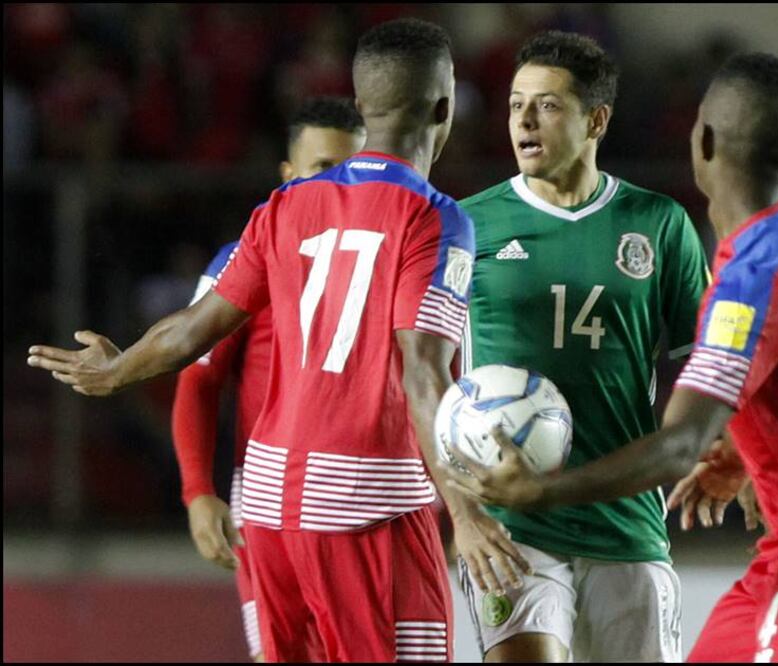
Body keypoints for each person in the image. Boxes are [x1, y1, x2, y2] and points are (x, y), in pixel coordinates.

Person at [26, 18, 522, 663]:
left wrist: (119, 369)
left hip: (268, 509)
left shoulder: (284, 206)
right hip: (366, 505)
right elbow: (423, 372)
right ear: (445, 104)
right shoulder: (434, 217)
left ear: (364, 106)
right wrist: (465, 510)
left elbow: (193, 327)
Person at [446, 52, 778, 663]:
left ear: (701, 141)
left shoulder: (746, 272)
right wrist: (753, 448)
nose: (525, 119)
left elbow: (682, 444)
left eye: (547, 104)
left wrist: (543, 493)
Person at [454, 31, 710, 663]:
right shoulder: (466, 224)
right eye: (516, 105)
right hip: (513, 522)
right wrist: (463, 514)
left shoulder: (658, 223)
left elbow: (709, 371)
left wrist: (734, 449)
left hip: (625, 520)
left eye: (547, 105)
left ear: (596, 119)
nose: (524, 121)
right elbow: (423, 377)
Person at [170, 96, 365, 661]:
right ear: (287, 176)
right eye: (321, 168)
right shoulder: (242, 259)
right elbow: (198, 379)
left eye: (351, 169)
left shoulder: (392, 256)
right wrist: (197, 491)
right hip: (268, 496)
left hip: (367, 494)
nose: (338, 185)